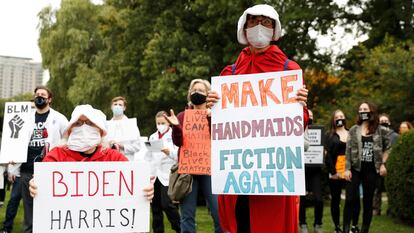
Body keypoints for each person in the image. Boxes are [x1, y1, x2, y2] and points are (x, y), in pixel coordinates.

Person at [207, 4, 309, 233]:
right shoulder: (229, 74)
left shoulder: (288, 70)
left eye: (266, 22)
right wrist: (213, 110)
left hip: (273, 177)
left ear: (275, 29)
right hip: (239, 176)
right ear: (244, 28)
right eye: (253, 21)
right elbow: (219, 130)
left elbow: (297, 124)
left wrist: (300, 106)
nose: (259, 27)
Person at [28, 104, 154, 199]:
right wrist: (36, 184)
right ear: (70, 130)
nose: (84, 127)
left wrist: (144, 188)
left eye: (89, 123)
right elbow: (42, 183)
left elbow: (132, 183)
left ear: (100, 130)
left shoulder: (114, 158)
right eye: (78, 123)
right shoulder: (56, 156)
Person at [164, 79, 222, 233]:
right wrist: (176, 126)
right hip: (188, 171)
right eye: (194, 90)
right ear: (190, 93)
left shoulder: (216, 115)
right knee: (187, 216)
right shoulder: (182, 116)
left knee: (219, 213)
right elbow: (178, 142)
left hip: (209, 169)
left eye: (202, 90)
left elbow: (219, 138)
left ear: (208, 94)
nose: (197, 93)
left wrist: (210, 118)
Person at [19, 86, 68, 233]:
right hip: (27, 170)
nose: (39, 97)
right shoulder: (25, 118)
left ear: (49, 99)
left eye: (43, 95)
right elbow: (17, 141)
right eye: (37, 95)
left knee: (49, 208)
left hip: (49, 171)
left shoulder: (59, 118)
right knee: (29, 211)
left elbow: (68, 138)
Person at [343, 102, 391, 233]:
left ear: (371, 112)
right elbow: (348, 150)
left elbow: (388, 148)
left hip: (371, 170)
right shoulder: (354, 129)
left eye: (365, 109)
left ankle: (364, 229)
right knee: (350, 199)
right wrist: (346, 169)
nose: (362, 111)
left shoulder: (381, 130)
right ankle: (346, 229)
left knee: (367, 201)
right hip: (355, 169)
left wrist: (383, 164)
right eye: (360, 109)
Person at [145, 111, 181, 233]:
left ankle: (180, 228)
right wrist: (148, 173)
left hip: (168, 174)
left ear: (168, 123)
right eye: (158, 123)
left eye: (163, 123)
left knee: (167, 204)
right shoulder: (153, 137)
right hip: (155, 175)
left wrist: (168, 152)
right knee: (155, 207)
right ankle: (158, 231)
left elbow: (179, 156)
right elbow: (148, 156)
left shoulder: (173, 135)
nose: (160, 125)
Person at [325, 110, 360, 233]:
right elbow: (327, 155)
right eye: (337, 117)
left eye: (341, 116)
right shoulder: (329, 135)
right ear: (333, 120)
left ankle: (354, 226)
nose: (339, 118)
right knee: (336, 200)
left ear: (344, 118)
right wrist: (333, 172)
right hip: (335, 173)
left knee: (354, 199)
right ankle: (337, 227)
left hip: (350, 171)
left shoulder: (352, 133)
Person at [299, 110, 323, 233]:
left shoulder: (319, 132)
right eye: (309, 116)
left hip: (315, 172)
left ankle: (318, 224)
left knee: (319, 199)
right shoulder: (297, 130)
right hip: (301, 171)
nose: (310, 118)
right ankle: (302, 224)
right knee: (301, 199)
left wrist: (323, 153)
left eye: (312, 116)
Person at [372, 114, 399, 216]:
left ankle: (391, 210)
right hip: (378, 165)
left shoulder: (395, 136)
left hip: (391, 166)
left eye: (385, 120)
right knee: (376, 188)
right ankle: (376, 209)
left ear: (389, 122)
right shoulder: (375, 135)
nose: (383, 122)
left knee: (391, 188)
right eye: (381, 121)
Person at [106, 96, 141, 161]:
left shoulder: (131, 125)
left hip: (127, 160)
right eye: (115, 104)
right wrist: (108, 144)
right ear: (111, 107)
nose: (117, 106)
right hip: (110, 160)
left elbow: (137, 146)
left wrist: (122, 146)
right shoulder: (106, 125)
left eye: (120, 105)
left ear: (124, 108)